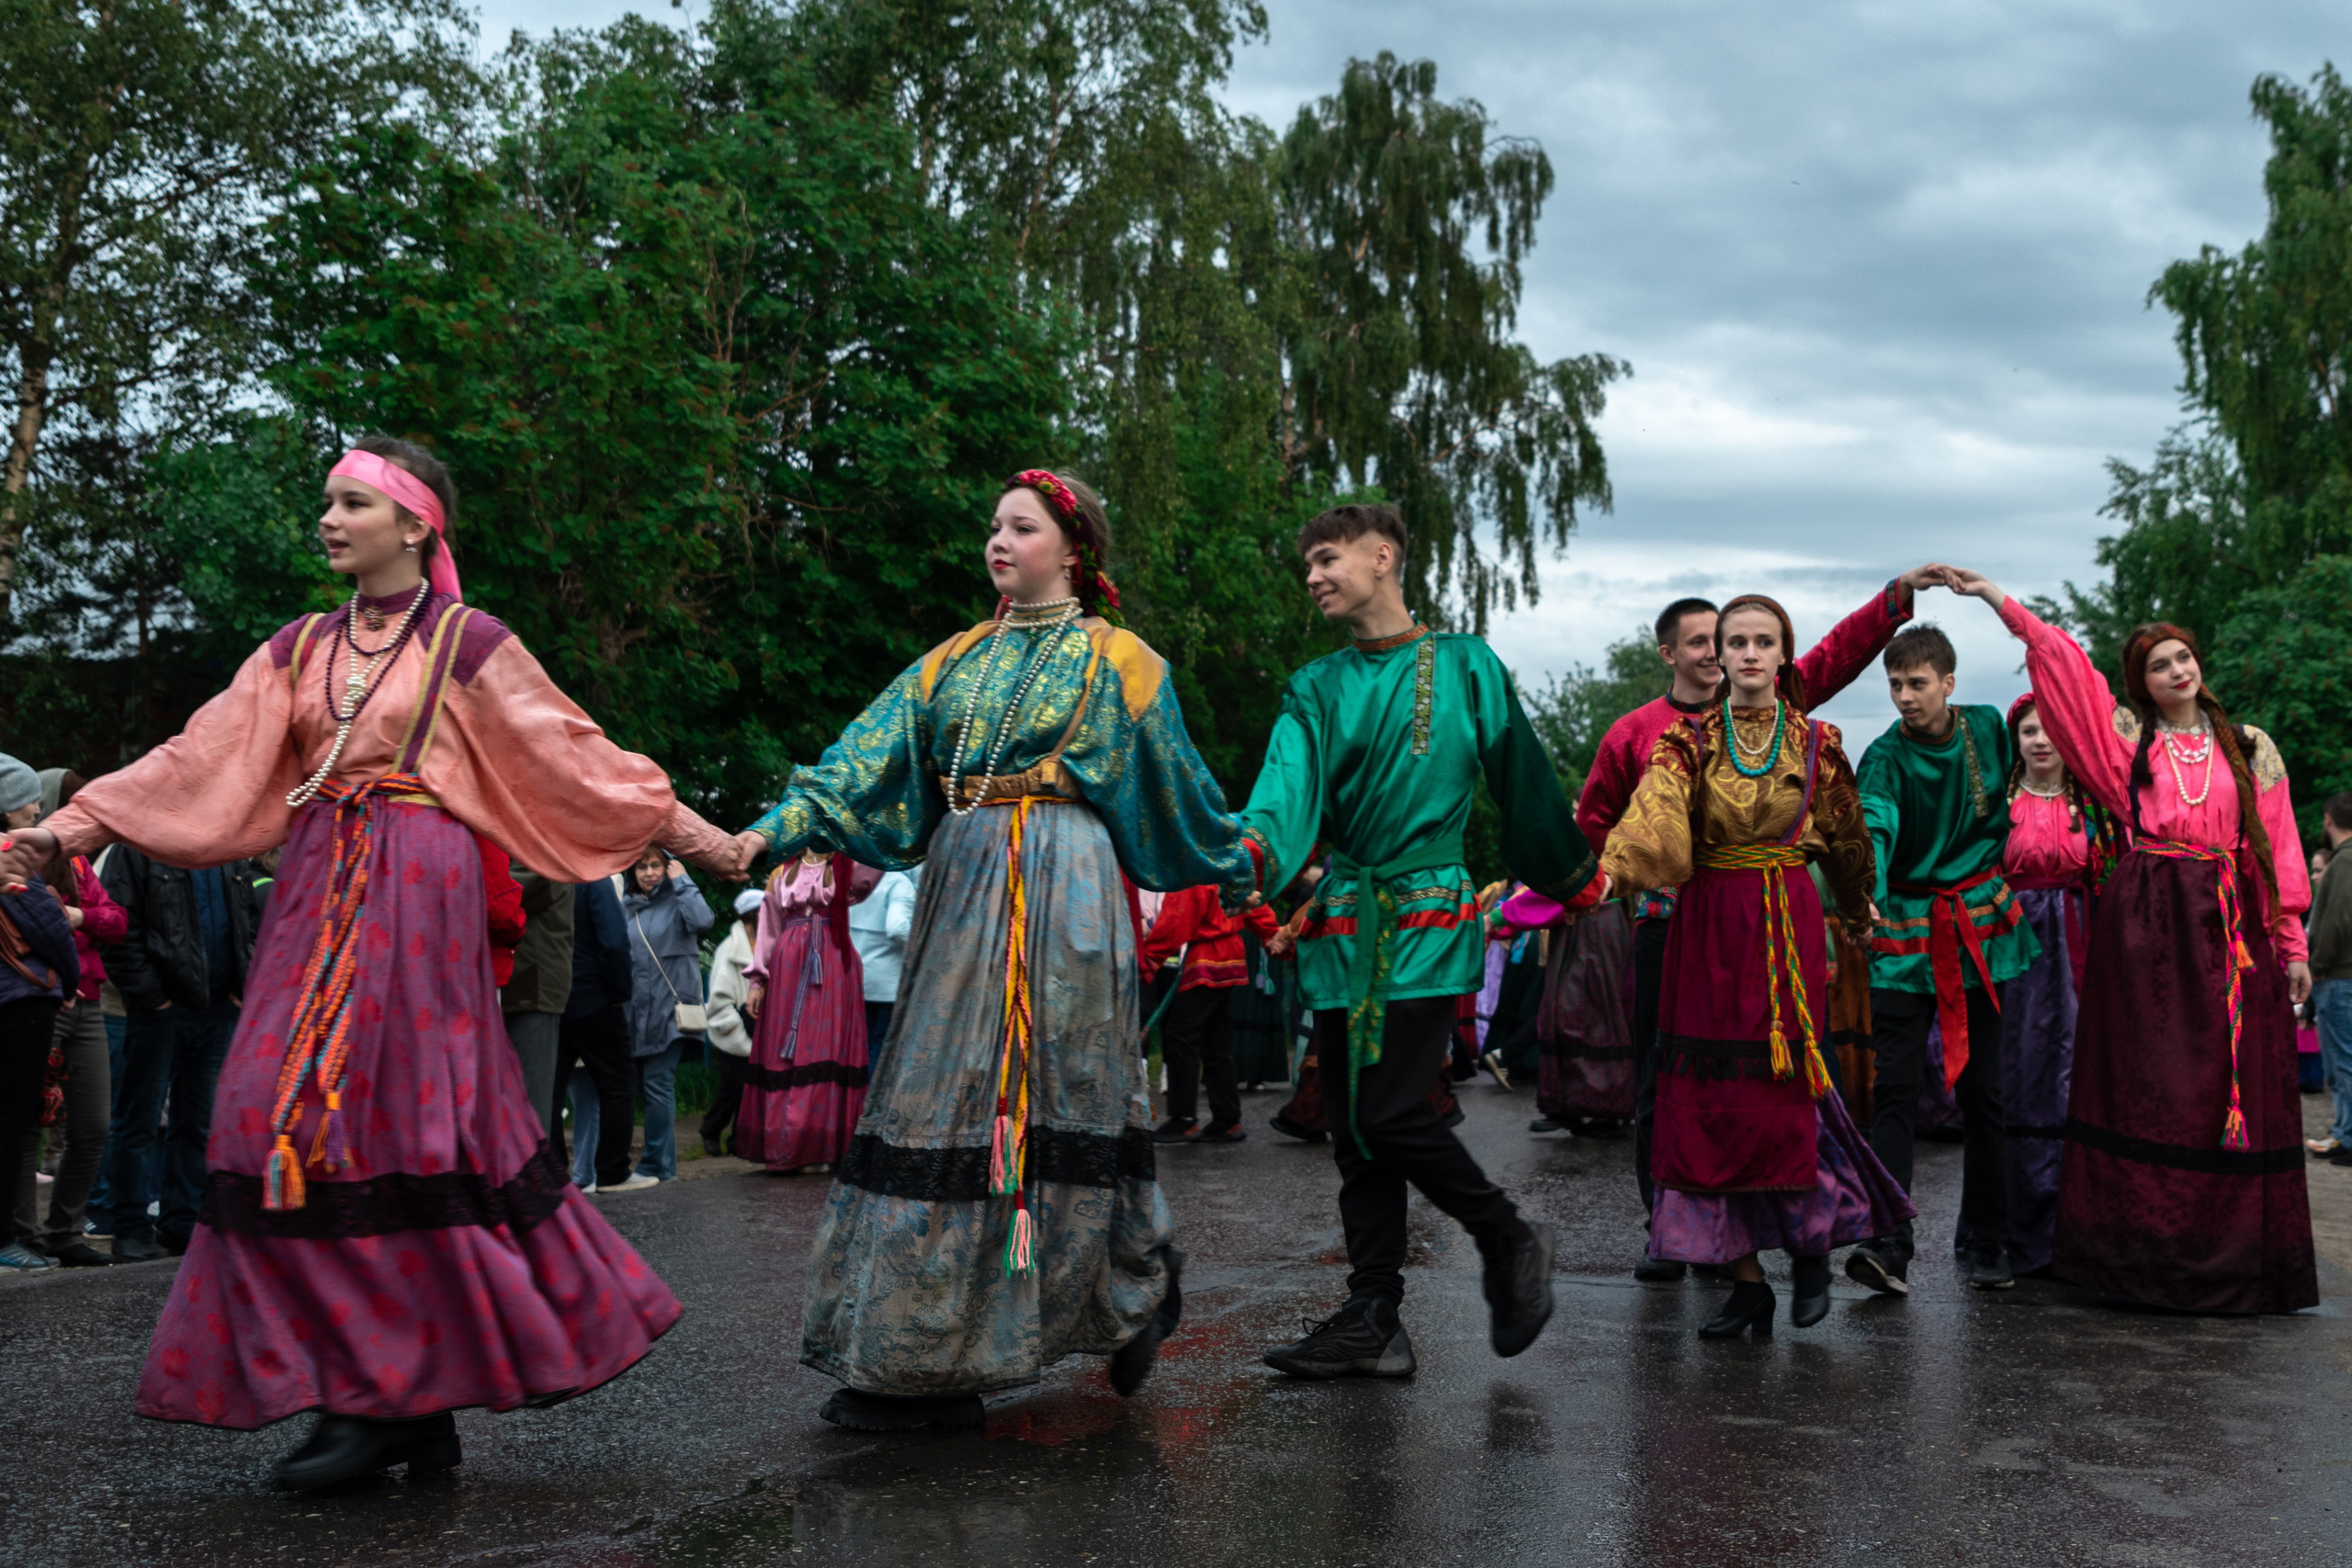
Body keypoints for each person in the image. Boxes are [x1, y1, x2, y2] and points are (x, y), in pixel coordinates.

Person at [1, 434, 750, 1489]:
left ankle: (392, 1402)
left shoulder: (471, 644)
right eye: (327, 502)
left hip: (419, 893)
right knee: (268, 1114)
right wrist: (72, 827)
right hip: (316, 887)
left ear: (415, 525)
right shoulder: (300, 646)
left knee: (399, 1125)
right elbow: (199, 754)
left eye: (351, 502)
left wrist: (722, 846)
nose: (330, 519)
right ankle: (390, 1393)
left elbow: (582, 758)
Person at [737, 468, 1249, 1431]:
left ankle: (1121, 1284)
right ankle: (921, 1350)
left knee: (1060, 1099)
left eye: (1021, 526)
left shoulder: (1119, 660)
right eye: (993, 526)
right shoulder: (950, 663)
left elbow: (1178, 785)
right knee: (939, 1098)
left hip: (1070, 888)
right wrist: (767, 832)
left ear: (1073, 546)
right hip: (964, 882)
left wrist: (1247, 866)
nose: (997, 542)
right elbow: (860, 759)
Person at [1239, 502, 1605, 1381]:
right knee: (1353, 1130)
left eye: (1327, 559)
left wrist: (1567, 873)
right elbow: (1285, 793)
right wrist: (1248, 855)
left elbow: (1520, 769)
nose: (1314, 577)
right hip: (1342, 920)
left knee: (1391, 1109)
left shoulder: (1467, 665)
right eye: (1308, 566)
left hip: (1427, 912)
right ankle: (1374, 1314)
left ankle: (1508, 1237)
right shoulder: (1314, 686)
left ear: (1383, 556)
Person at [1949, 570, 2315, 1313]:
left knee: (2224, 1085)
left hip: (2230, 920)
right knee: (2155, 1089)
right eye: (2160, 664)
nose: (2179, 670)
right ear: (2141, 684)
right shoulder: (2127, 742)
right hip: (2147, 924)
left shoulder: (2249, 745)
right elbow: (2065, 668)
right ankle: (2147, 1258)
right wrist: (2000, 602)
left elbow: (2279, 848)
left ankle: (2242, 1260)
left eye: (2184, 657)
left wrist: (2293, 942)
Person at [1577, 574, 1942, 1281]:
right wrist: (1604, 877)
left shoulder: (1807, 733)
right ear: (1690, 653)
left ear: (1781, 657)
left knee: (1793, 1080)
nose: (1739, 654)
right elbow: (1630, 816)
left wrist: (1857, 898)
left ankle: (1806, 1243)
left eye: (1759, 642)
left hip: (1783, 916)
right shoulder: (1665, 739)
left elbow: (1844, 827)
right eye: (1728, 642)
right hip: (1687, 919)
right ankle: (1692, 1242)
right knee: (1684, 1081)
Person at [1845, 624, 2042, 1295]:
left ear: (1949, 682)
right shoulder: (1883, 755)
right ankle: (1888, 1241)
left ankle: (1990, 1239)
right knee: (1895, 1088)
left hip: (1980, 927)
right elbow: (1873, 818)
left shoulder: (1988, 727)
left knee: (1984, 1090)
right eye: (1895, 684)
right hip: (1903, 927)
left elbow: (2060, 732)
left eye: (1917, 682)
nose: (1904, 695)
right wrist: (1865, 882)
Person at [1997, 693, 2125, 1271]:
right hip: (2012, 952)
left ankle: (2077, 1232)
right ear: (2015, 740)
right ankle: (2014, 1232)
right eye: (2028, 731)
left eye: (2051, 730)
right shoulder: (1995, 807)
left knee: (2077, 1076)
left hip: (2080, 947)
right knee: (2016, 1074)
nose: (2040, 740)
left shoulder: (2094, 807)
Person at [92, 836, 263, 1263]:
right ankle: (129, 1225)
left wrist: (240, 989)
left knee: (198, 1121)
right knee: (139, 1121)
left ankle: (182, 1222)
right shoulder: (137, 847)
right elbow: (120, 927)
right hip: (162, 1010)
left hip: (219, 1005)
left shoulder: (228, 843)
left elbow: (249, 920)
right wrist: (153, 999)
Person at [10, 769, 127, 1268]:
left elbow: (117, 920)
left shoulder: (78, 861)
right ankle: (22, 1234)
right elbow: (37, 925)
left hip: (87, 1001)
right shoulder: (17, 859)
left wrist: (81, 918)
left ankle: (66, 1230)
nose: (39, 810)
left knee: (94, 1123)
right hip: (42, 999)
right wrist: (71, 932)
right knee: (25, 1122)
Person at [737, 847, 877, 1175]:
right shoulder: (782, 873)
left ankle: (823, 1147)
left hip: (833, 963)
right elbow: (768, 928)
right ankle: (786, 1146)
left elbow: (874, 862)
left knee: (826, 1049)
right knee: (786, 1054)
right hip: (788, 964)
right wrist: (757, 981)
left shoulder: (847, 864)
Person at [0, 755, 82, 1272]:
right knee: (9, 1126)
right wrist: (67, 983)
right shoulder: (13, 864)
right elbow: (55, 933)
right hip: (18, 1010)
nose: (36, 808)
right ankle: (3, 1238)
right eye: (28, 800)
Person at [1138, 881, 1283, 1144]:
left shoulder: (1195, 872)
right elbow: (1254, 904)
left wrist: (1149, 959)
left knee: (1180, 1036)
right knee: (1216, 1040)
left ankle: (1184, 1118)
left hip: (1207, 957)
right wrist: (1271, 934)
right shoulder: (1229, 864)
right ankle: (1226, 1119)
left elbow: (1176, 922)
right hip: (1231, 955)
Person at [620, 847, 713, 1183]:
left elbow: (703, 921)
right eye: (641, 866)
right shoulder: (626, 909)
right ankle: (665, 1168)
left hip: (671, 1011)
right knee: (644, 1088)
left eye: (655, 865)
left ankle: (654, 1165)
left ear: (668, 866)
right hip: (636, 1014)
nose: (648, 872)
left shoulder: (679, 900)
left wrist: (683, 880)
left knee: (658, 1084)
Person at [560, 874, 647, 1193]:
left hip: (553, 996)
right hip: (593, 995)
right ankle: (612, 1171)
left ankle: (553, 1175)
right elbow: (614, 942)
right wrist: (618, 992)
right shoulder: (593, 878)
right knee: (619, 1081)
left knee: (552, 1090)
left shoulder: (546, 870)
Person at [501, 862, 574, 1135]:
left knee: (528, 1103)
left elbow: (505, 897)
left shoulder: (544, 851)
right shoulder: (532, 843)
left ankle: (534, 1175)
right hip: (522, 983)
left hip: (532, 985)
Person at [700, 888, 764, 1156]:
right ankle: (711, 1130)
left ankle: (740, 1139)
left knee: (754, 1086)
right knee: (733, 1086)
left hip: (762, 1028)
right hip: (736, 1029)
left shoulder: (769, 945)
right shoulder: (729, 949)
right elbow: (718, 998)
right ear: (752, 916)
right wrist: (735, 1032)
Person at [2307, 796, 2352, 1163]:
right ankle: (2342, 1131)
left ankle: (2349, 1138)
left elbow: (2336, 919)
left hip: (2338, 974)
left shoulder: (2345, 861)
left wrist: (2317, 964)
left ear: (2329, 819)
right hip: (2340, 974)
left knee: (2344, 1061)